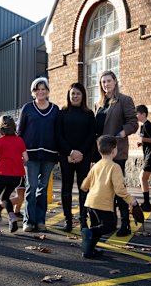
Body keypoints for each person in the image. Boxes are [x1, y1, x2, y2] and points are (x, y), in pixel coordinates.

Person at [93, 70, 138, 237]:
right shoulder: (98, 103)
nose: (106, 84)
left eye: (108, 81)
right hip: (100, 154)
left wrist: (121, 134)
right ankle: (108, 223)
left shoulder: (124, 100)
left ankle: (125, 224)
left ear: (115, 81)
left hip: (116, 152)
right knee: (104, 189)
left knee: (118, 189)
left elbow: (133, 123)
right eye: (103, 82)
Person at [80, 135, 138, 258]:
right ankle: (88, 233)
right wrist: (130, 200)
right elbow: (119, 189)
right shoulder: (115, 167)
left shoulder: (96, 165)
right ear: (114, 150)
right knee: (109, 226)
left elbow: (85, 184)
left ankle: (89, 251)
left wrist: (85, 189)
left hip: (90, 202)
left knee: (97, 228)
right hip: (103, 204)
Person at [18, 77, 59, 232]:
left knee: (43, 187)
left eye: (44, 89)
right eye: (38, 89)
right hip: (30, 155)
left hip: (49, 154)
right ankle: (28, 221)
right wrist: (20, 153)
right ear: (33, 92)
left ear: (47, 91)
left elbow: (58, 133)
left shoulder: (55, 109)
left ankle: (40, 221)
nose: (41, 92)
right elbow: (20, 132)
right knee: (32, 186)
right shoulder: (27, 108)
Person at [55, 82, 96, 232]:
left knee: (83, 189)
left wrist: (80, 153)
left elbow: (92, 135)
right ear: (69, 95)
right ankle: (68, 221)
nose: (75, 96)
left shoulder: (89, 114)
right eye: (73, 93)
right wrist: (70, 152)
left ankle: (83, 221)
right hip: (66, 157)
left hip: (83, 157)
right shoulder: (62, 113)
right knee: (66, 188)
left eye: (78, 93)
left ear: (83, 96)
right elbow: (58, 135)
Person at [0, 115, 29, 235]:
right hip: (17, 176)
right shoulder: (20, 140)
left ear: (0, 127)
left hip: (3, 174)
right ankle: (12, 216)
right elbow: (26, 158)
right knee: (5, 197)